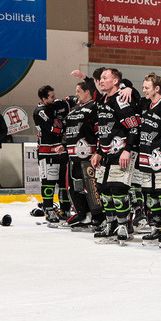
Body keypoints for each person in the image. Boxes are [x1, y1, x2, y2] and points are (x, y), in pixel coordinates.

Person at [90, 68, 140, 243]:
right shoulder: (102, 101)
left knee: (118, 189)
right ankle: (110, 224)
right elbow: (102, 131)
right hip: (105, 155)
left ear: (116, 81)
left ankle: (124, 226)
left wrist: (128, 149)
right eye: (101, 78)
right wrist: (97, 152)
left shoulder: (121, 100)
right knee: (104, 190)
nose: (101, 81)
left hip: (120, 153)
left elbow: (134, 127)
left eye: (105, 78)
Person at [133, 73, 161, 246]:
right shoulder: (145, 105)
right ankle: (156, 227)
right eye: (143, 87)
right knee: (150, 195)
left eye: (147, 87)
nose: (144, 90)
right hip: (145, 156)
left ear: (157, 88)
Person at [62, 80, 101, 229]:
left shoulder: (94, 107)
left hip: (88, 156)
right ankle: (83, 214)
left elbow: (98, 131)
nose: (76, 93)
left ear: (87, 92)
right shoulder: (74, 108)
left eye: (79, 91)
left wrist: (98, 151)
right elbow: (69, 130)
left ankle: (97, 216)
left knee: (91, 187)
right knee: (74, 187)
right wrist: (63, 144)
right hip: (72, 156)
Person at [33, 86, 74, 223]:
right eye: (51, 97)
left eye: (54, 95)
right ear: (43, 99)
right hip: (47, 152)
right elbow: (55, 128)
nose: (54, 98)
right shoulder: (40, 112)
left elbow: (70, 101)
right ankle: (49, 209)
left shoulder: (57, 105)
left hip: (62, 151)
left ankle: (65, 209)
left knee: (64, 183)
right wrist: (65, 123)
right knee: (48, 182)